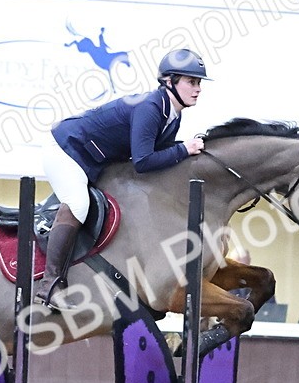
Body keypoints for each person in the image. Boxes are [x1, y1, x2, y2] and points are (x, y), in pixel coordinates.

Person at [36, 48, 210, 310]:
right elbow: (143, 162)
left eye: (198, 83)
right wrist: (184, 149)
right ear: (169, 81)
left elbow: (157, 155)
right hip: (66, 149)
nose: (197, 89)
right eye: (191, 81)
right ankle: (49, 285)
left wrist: (184, 150)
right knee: (78, 204)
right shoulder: (151, 107)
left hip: (94, 159)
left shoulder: (173, 114)